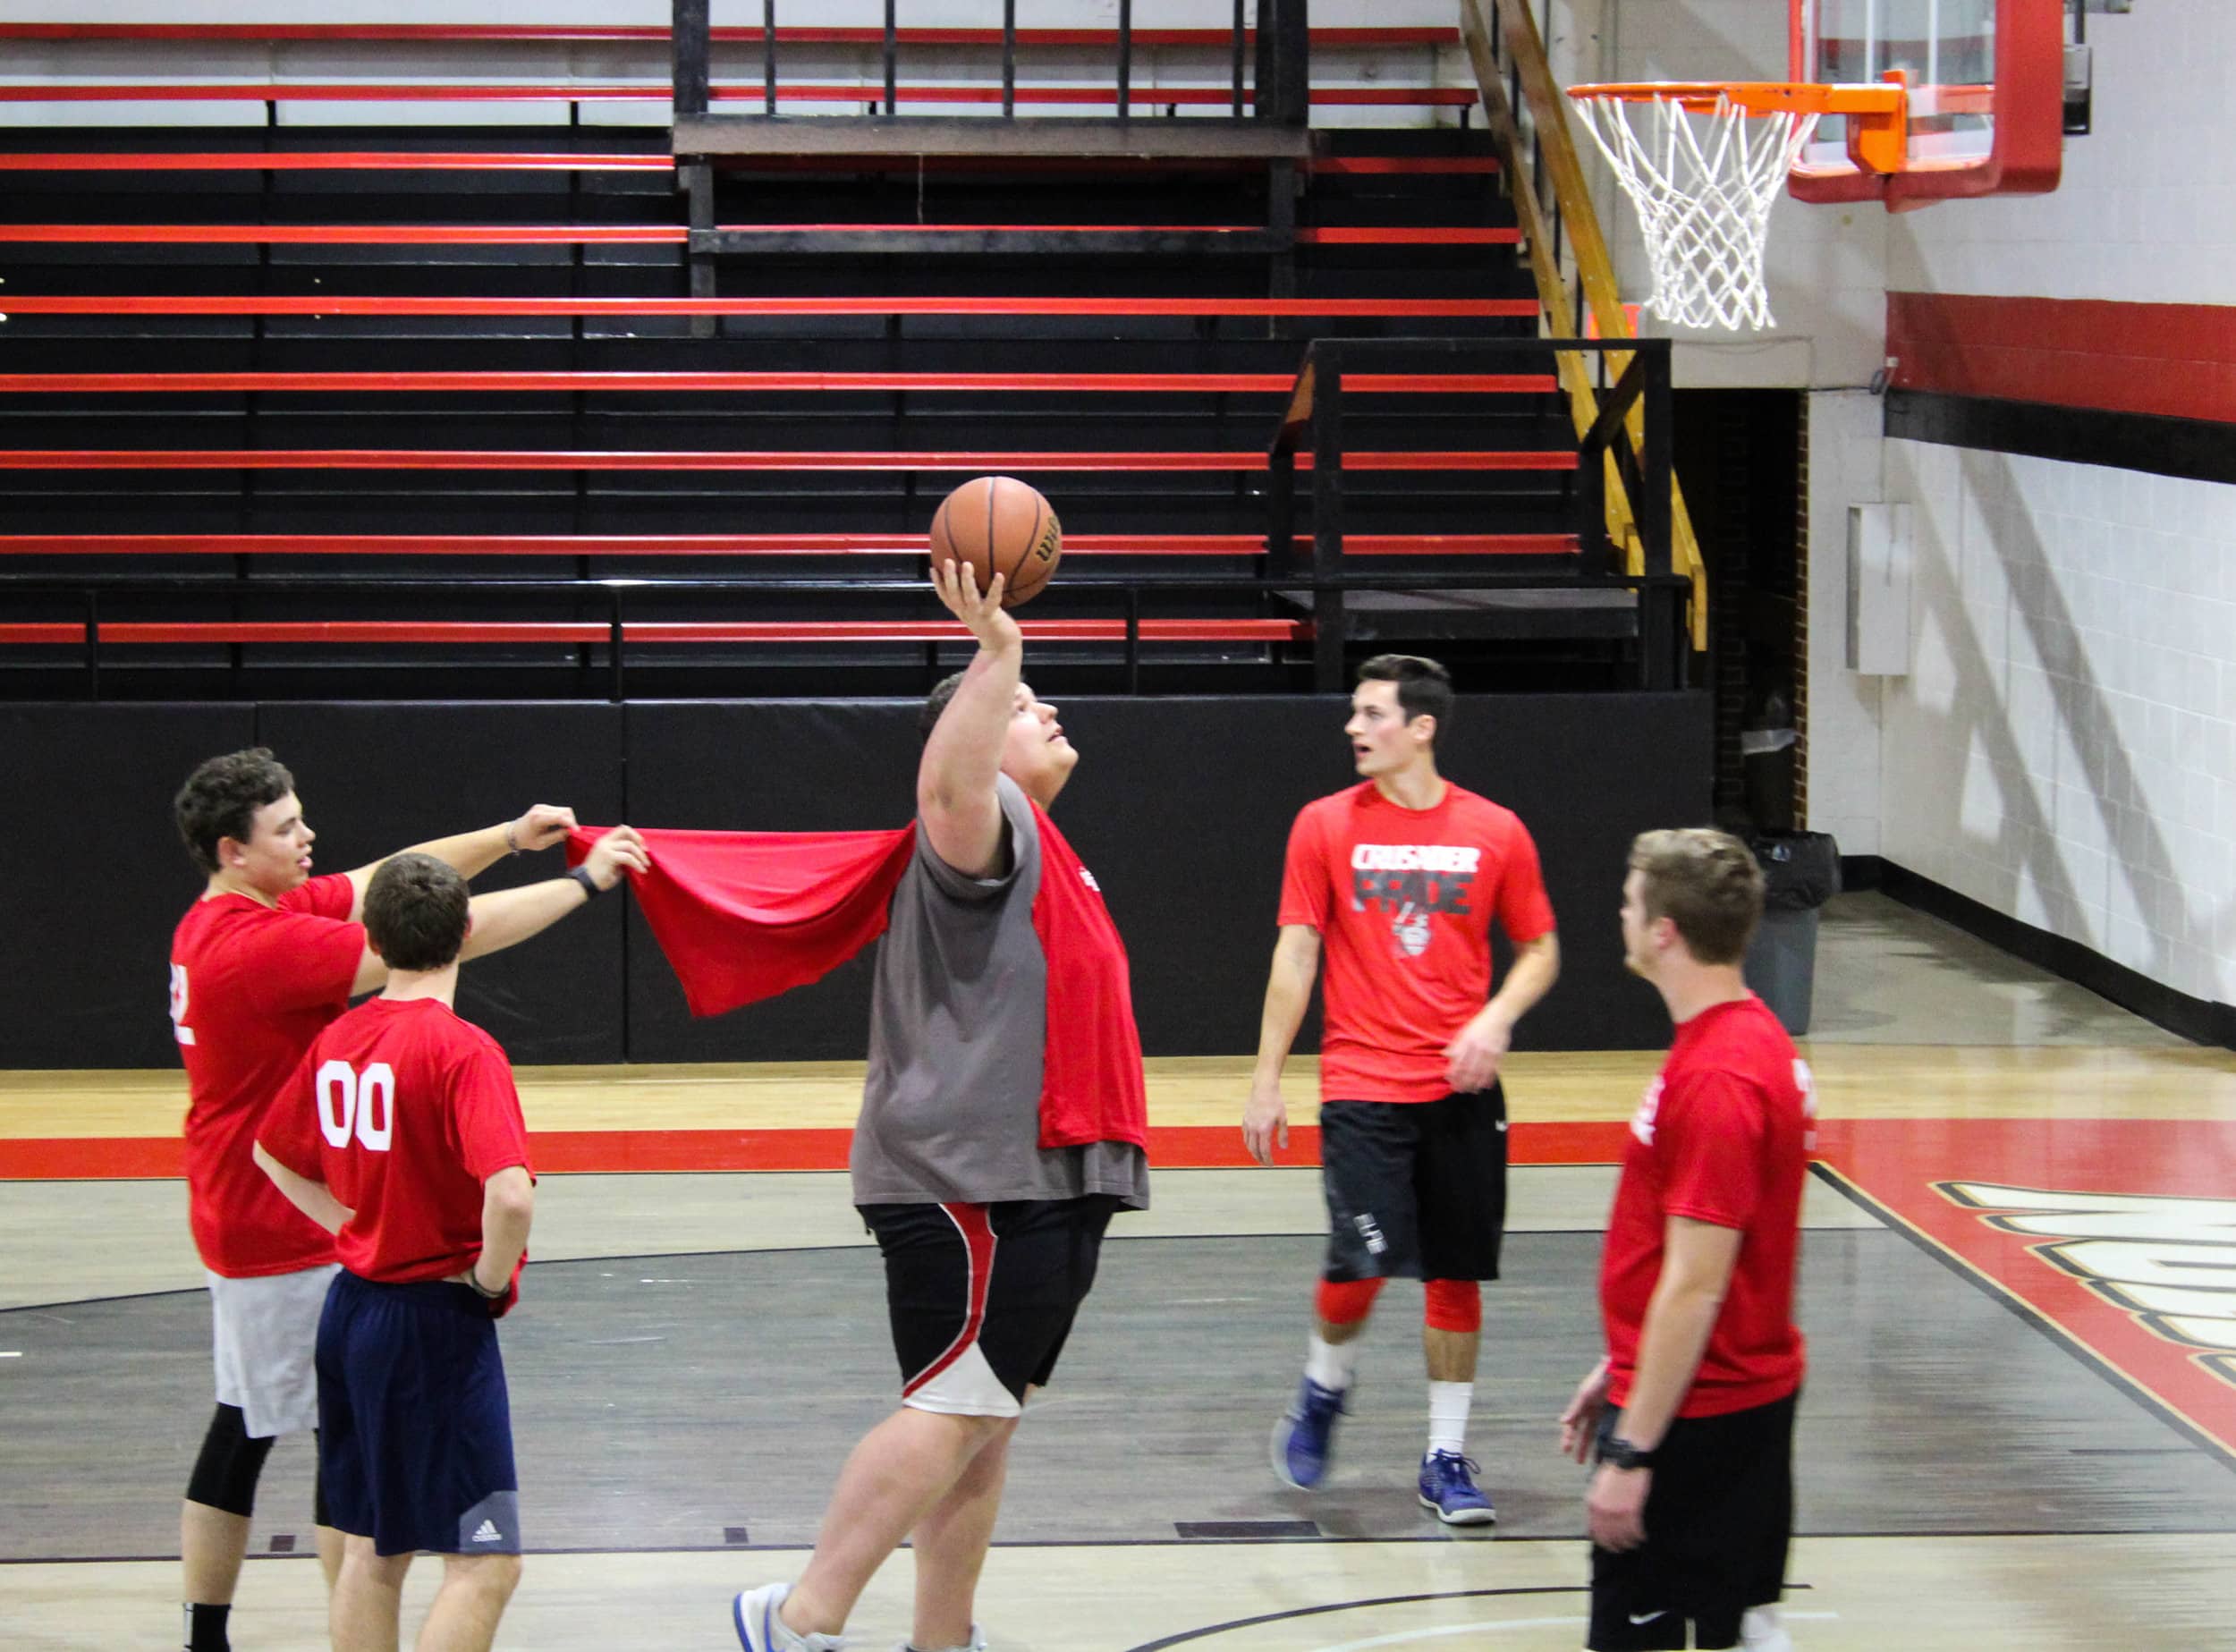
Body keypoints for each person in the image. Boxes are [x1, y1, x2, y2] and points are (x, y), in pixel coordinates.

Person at [730, 558, 1151, 1652]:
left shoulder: (1044, 843)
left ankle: (940, 1639)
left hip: (1038, 1174)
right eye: (1021, 706)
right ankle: (795, 1616)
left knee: (984, 1420)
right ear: (971, 731)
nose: (1047, 709)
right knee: (958, 1404)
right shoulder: (979, 819)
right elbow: (946, 787)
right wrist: (994, 655)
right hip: (972, 1179)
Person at [167, 748, 646, 1652]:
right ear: (233, 849)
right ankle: (210, 1631)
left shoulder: (233, 916)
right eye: (285, 827)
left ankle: (225, 1626)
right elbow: (437, 928)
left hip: (286, 1213)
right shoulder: (267, 948)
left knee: (298, 1449)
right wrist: (584, 881)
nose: (308, 836)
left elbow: (380, 884)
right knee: (289, 1454)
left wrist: (509, 837)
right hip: (295, 1234)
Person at [1242, 654, 1560, 1524]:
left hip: (1459, 1093)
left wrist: (1494, 1020)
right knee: (1364, 1260)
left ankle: (1445, 1456)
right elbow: (1296, 952)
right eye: (1353, 711)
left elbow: (1539, 947)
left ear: (1420, 728)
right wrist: (1266, 1078)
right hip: (1362, 1086)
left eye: (1371, 712)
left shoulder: (1494, 829)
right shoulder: (1322, 824)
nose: (1353, 726)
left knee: (1454, 1276)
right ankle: (1322, 1385)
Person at [253, 852, 540, 1652]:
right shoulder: (461, 1050)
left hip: (351, 1310)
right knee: (486, 1563)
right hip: (430, 1318)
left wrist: (348, 1219)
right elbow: (510, 1193)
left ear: (371, 938)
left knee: (372, 1551)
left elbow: (272, 1153)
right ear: (467, 934)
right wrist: (485, 1279)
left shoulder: (339, 1036)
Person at [1557, 828, 1811, 1652]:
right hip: (1704, 1390)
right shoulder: (1741, 1038)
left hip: (1700, 1418)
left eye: (1631, 902)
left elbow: (1699, 1283)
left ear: (1664, 930)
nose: (1621, 913)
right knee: (1735, 1623)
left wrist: (1632, 1453)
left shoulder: (1719, 1077)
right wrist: (1624, 1361)